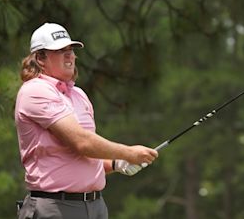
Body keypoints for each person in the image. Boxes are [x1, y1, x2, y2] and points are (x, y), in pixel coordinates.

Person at [15, 22, 158, 219]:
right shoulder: (35, 90)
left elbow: (85, 157)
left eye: (71, 50)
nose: (70, 55)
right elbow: (82, 143)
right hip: (55, 208)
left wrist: (117, 163)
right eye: (60, 50)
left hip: (95, 206)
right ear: (40, 58)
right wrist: (129, 152)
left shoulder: (79, 94)